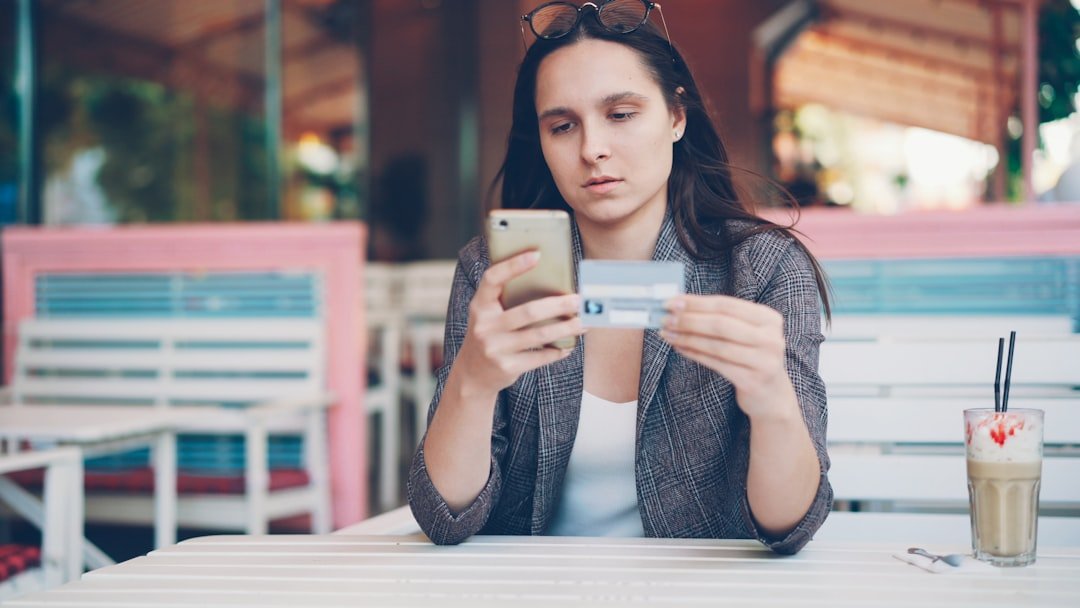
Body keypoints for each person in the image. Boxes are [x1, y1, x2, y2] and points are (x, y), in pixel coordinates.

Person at [408, 0, 832, 555]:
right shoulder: (497, 272)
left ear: (677, 117)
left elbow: (788, 528)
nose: (592, 149)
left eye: (622, 114)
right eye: (562, 126)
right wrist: (473, 380)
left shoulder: (763, 268)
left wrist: (772, 399)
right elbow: (444, 518)